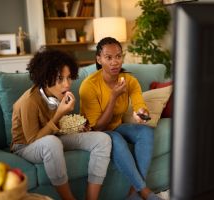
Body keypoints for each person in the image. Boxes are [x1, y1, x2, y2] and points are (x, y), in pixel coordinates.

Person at [10, 48, 111, 200]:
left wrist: (77, 127)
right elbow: (33, 140)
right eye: (60, 79)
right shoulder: (29, 101)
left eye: (69, 77)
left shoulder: (57, 94)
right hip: (25, 146)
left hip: (52, 137)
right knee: (52, 142)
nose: (67, 84)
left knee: (102, 139)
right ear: (45, 78)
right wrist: (60, 113)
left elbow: (54, 127)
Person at [79, 37, 163, 200]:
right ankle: (144, 191)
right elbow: (98, 127)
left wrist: (141, 113)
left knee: (146, 132)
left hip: (116, 125)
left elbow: (139, 103)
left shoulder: (129, 80)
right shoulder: (89, 86)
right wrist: (113, 97)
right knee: (115, 139)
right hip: (94, 132)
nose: (115, 62)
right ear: (99, 59)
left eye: (118, 56)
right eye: (108, 57)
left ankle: (133, 193)